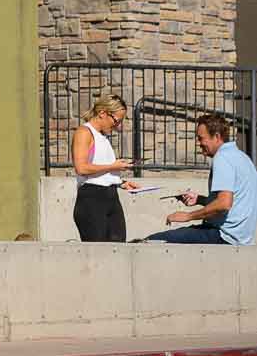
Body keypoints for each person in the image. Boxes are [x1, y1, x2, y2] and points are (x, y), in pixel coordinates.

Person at [145, 114, 255, 246]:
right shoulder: (243, 158)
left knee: (151, 242)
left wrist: (187, 216)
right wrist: (200, 200)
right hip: (240, 238)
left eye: (201, 138)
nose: (199, 143)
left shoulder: (223, 157)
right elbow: (236, 201)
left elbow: (224, 203)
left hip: (223, 236)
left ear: (217, 137)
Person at [71, 95, 141, 242]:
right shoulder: (84, 132)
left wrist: (121, 183)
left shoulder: (102, 137)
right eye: (116, 121)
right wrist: (113, 165)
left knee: (118, 246)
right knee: (98, 253)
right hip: (92, 198)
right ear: (102, 113)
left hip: (111, 197)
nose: (118, 126)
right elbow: (81, 168)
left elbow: (101, 172)